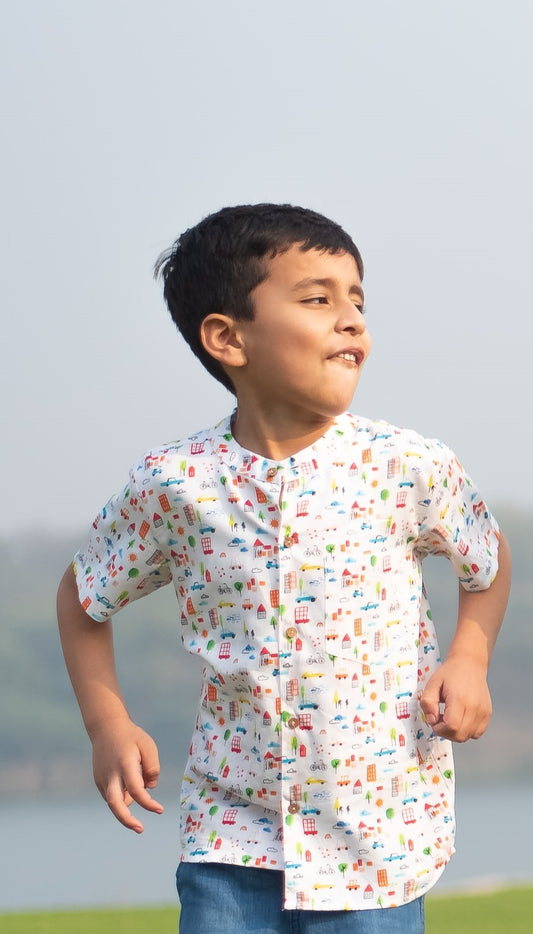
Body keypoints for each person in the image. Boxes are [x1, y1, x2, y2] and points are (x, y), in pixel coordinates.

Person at [57, 204, 511, 933]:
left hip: (378, 839)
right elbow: (84, 597)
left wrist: (469, 660)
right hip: (229, 836)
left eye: (357, 300)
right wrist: (106, 722)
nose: (351, 320)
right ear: (227, 338)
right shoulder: (175, 483)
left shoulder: (406, 465)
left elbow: (485, 560)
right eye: (317, 299)